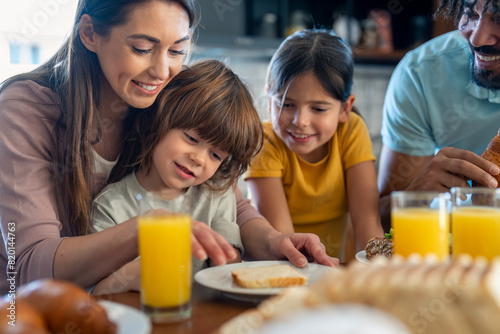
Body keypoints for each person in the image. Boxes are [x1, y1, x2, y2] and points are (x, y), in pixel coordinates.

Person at [0, 0, 336, 294]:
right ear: (90, 33)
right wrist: (150, 230)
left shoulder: (162, 97)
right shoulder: (24, 111)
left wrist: (272, 241)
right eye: (143, 48)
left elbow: (229, 200)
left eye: (177, 51)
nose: (162, 71)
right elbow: (27, 265)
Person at [90, 59, 263, 293]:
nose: (199, 159)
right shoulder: (110, 206)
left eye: (215, 155)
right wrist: (129, 275)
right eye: (191, 139)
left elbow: (227, 272)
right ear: (160, 120)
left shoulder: (217, 194)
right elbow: (95, 295)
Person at [245, 29, 384, 262]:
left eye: (318, 109)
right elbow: (285, 242)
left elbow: (367, 222)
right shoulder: (264, 140)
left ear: (345, 109)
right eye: (286, 105)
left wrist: (376, 273)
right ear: (270, 101)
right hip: (281, 265)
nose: (301, 121)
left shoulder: (351, 130)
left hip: (332, 267)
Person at [378, 0, 500, 231]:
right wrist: (418, 195)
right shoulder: (421, 74)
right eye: (470, 14)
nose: (477, 39)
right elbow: (382, 217)